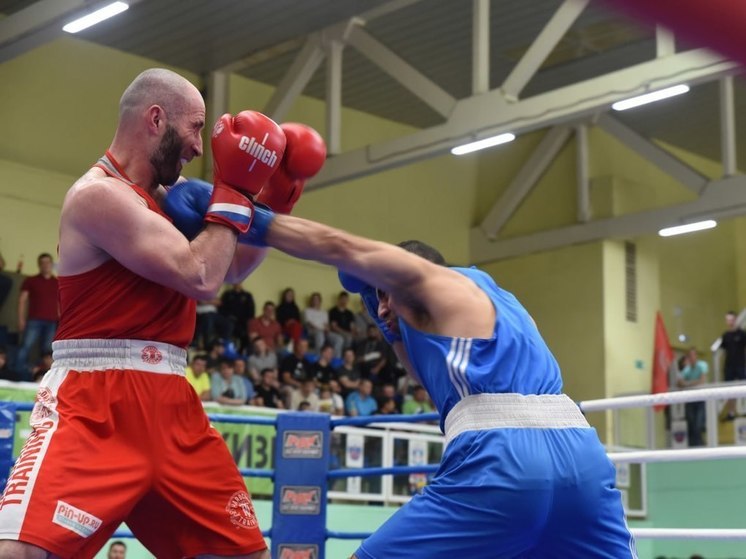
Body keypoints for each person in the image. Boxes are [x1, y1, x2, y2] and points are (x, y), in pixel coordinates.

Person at [0, 69, 302, 559]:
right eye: (195, 128)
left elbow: (231, 268)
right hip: (97, 401)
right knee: (23, 554)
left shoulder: (174, 198)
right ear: (156, 119)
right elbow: (199, 274)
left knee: (245, 555)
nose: (201, 147)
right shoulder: (99, 195)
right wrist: (235, 192)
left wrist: (274, 195)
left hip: (172, 404)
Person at [223, 210, 637, 557]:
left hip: (503, 461)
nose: (381, 308)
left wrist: (244, 214)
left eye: (384, 293)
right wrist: (388, 323)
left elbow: (338, 245)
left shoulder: (429, 279)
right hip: (581, 456)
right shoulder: (495, 304)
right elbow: (425, 375)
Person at [15, 253, 59, 381]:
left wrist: (61, 320)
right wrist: (21, 320)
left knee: (47, 352)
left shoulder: (57, 282)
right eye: (43, 262)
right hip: (34, 320)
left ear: (52, 264)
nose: (46, 265)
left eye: (48, 262)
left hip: (52, 322)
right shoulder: (30, 280)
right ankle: (17, 376)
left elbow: (59, 303)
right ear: (39, 265)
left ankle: (42, 378)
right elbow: (22, 300)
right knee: (25, 347)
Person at [677, 347, 709, 447]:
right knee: (691, 424)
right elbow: (679, 383)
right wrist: (693, 383)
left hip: (700, 398)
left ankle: (700, 445)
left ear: (696, 356)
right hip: (690, 399)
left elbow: (702, 380)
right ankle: (694, 446)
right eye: (689, 356)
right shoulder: (687, 369)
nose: (691, 358)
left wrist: (687, 383)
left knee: (699, 423)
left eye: (692, 355)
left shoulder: (702, 365)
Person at [719, 310, 746, 421]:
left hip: (741, 365)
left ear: (736, 320)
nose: (730, 322)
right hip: (729, 366)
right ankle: (731, 413)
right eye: (728, 320)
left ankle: (744, 410)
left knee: (744, 388)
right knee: (730, 390)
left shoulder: (743, 334)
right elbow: (724, 352)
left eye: (732, 319)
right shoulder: (725, 336)